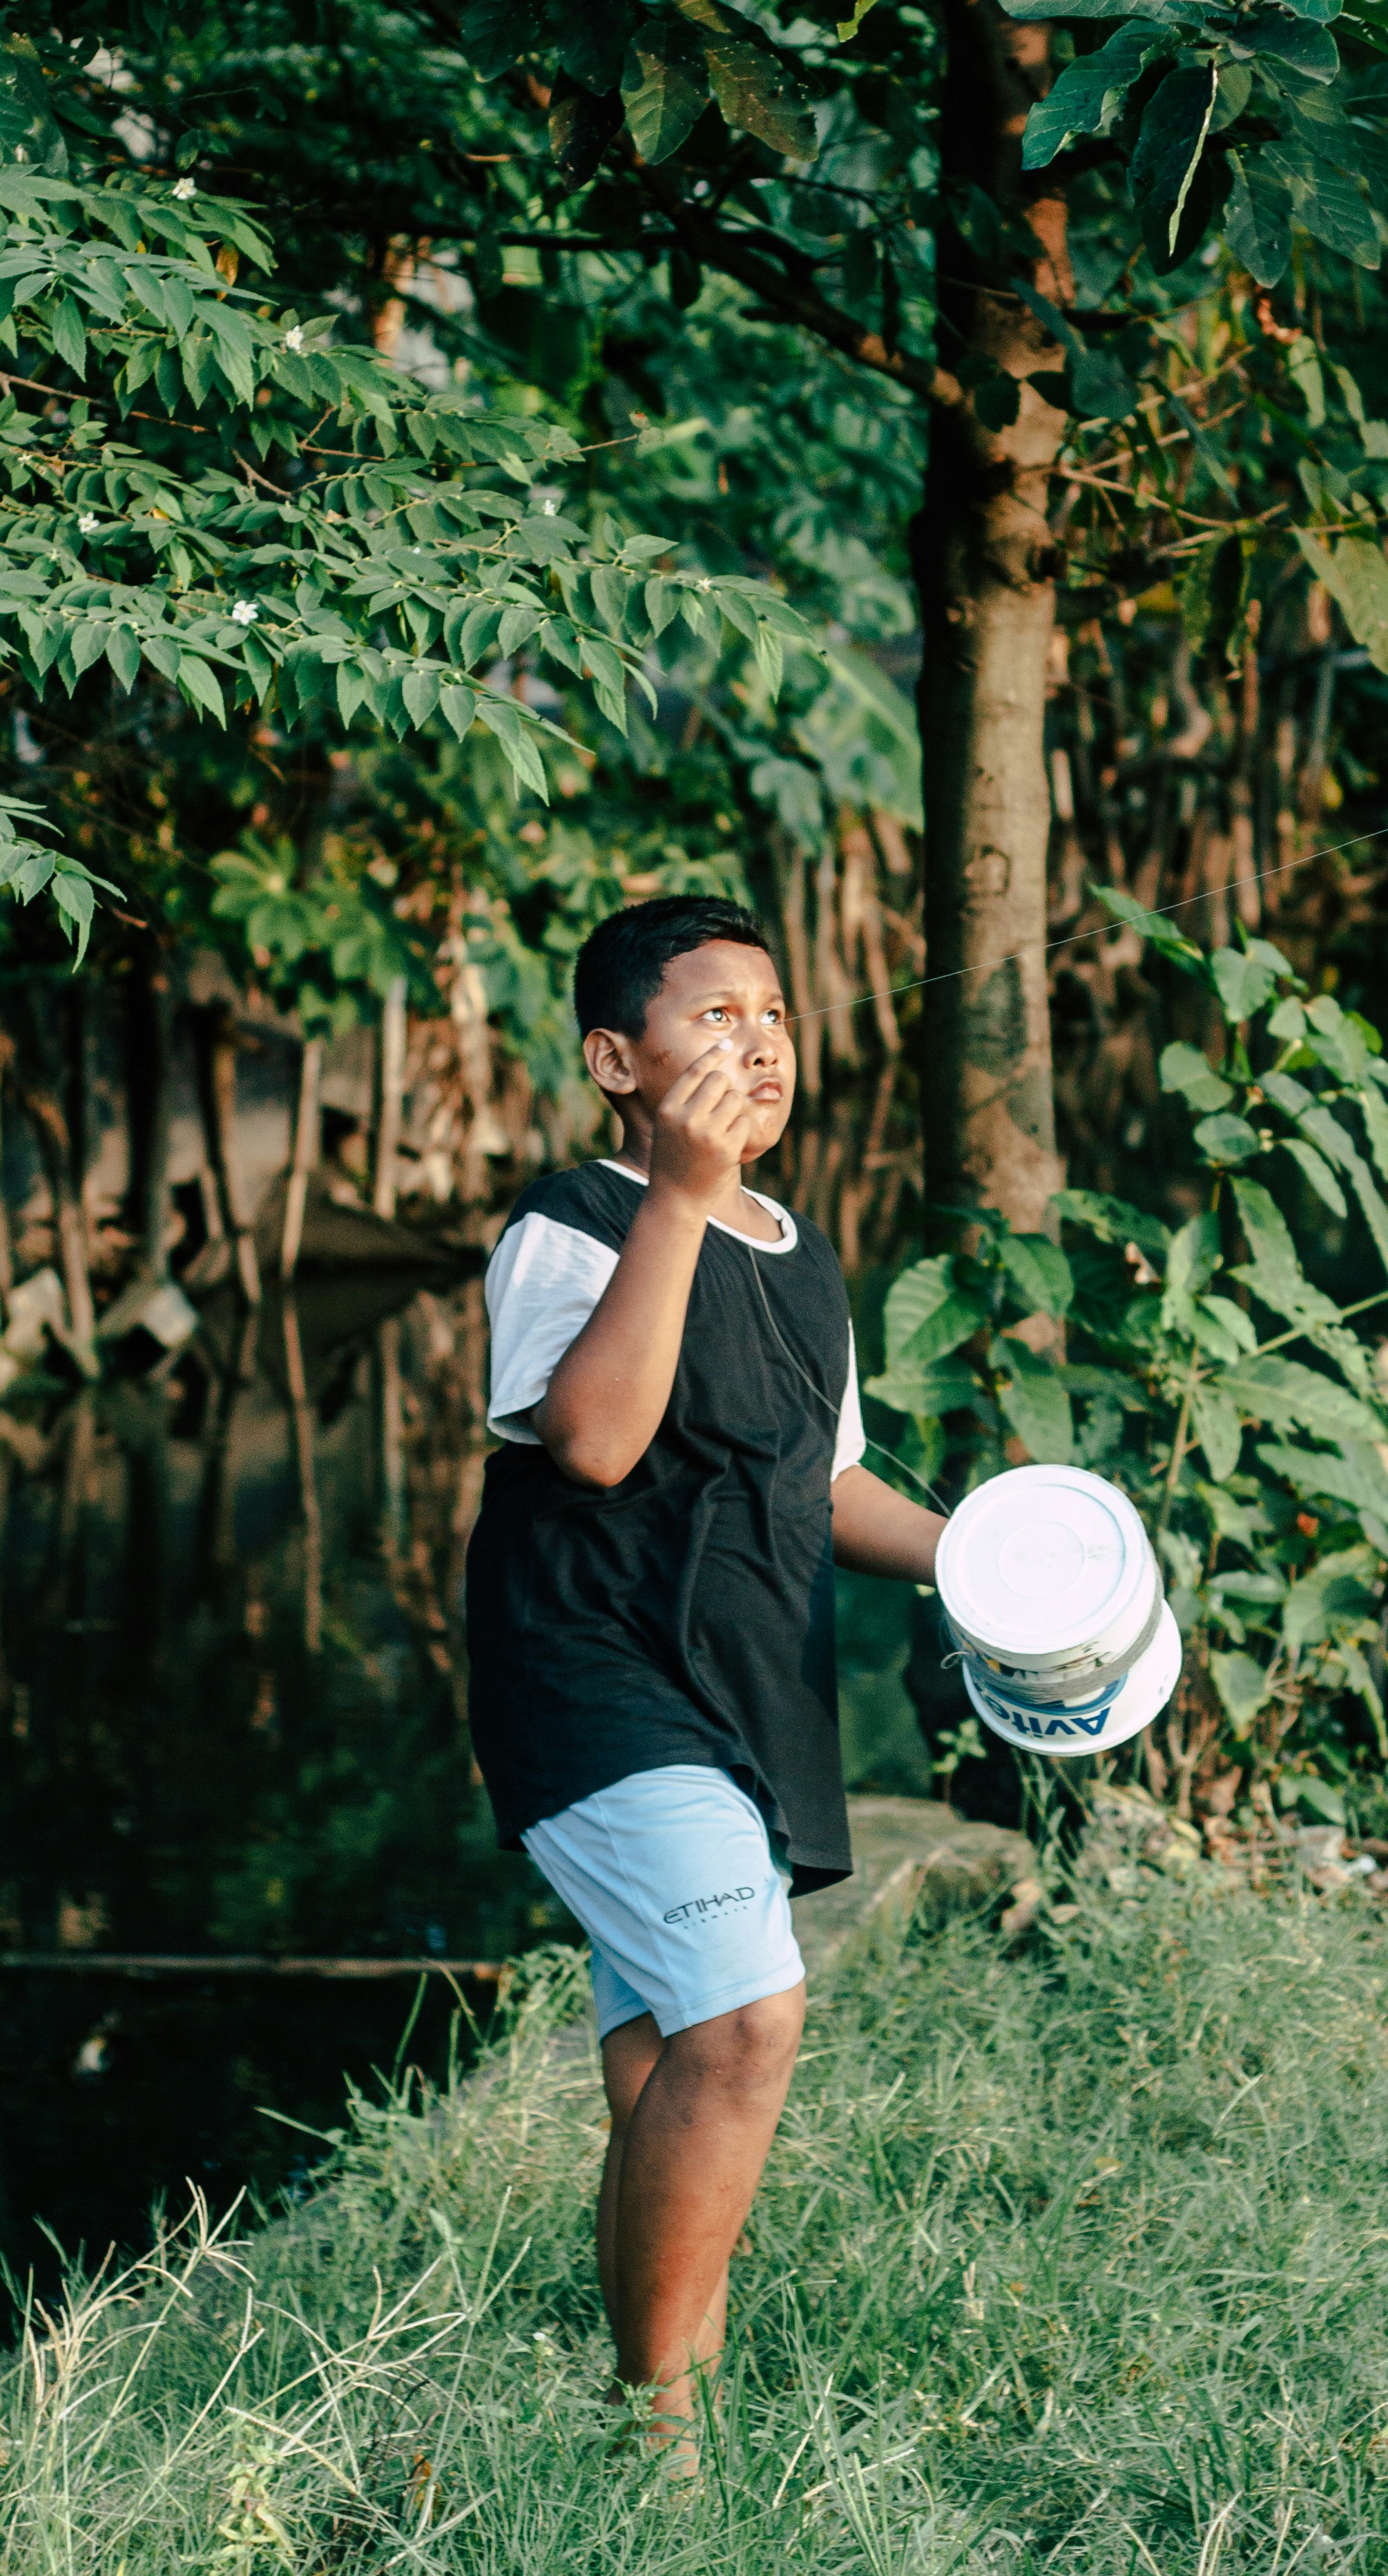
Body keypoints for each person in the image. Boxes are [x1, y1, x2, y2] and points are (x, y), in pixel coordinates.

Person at [465, 894, 942, 2464]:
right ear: (618, 1060)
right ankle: (658, 2432)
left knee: (669, 2045)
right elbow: (594, 1440)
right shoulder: (577, 1219)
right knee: (746, 2018)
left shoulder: (805, 1263)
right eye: (712, 1017)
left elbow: (825, 1486)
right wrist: (678, 1193)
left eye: (776, 1013)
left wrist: (987, 1562)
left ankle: (665, 2391)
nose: (757, 1041)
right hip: (593, 1678)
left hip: (746, 1689)